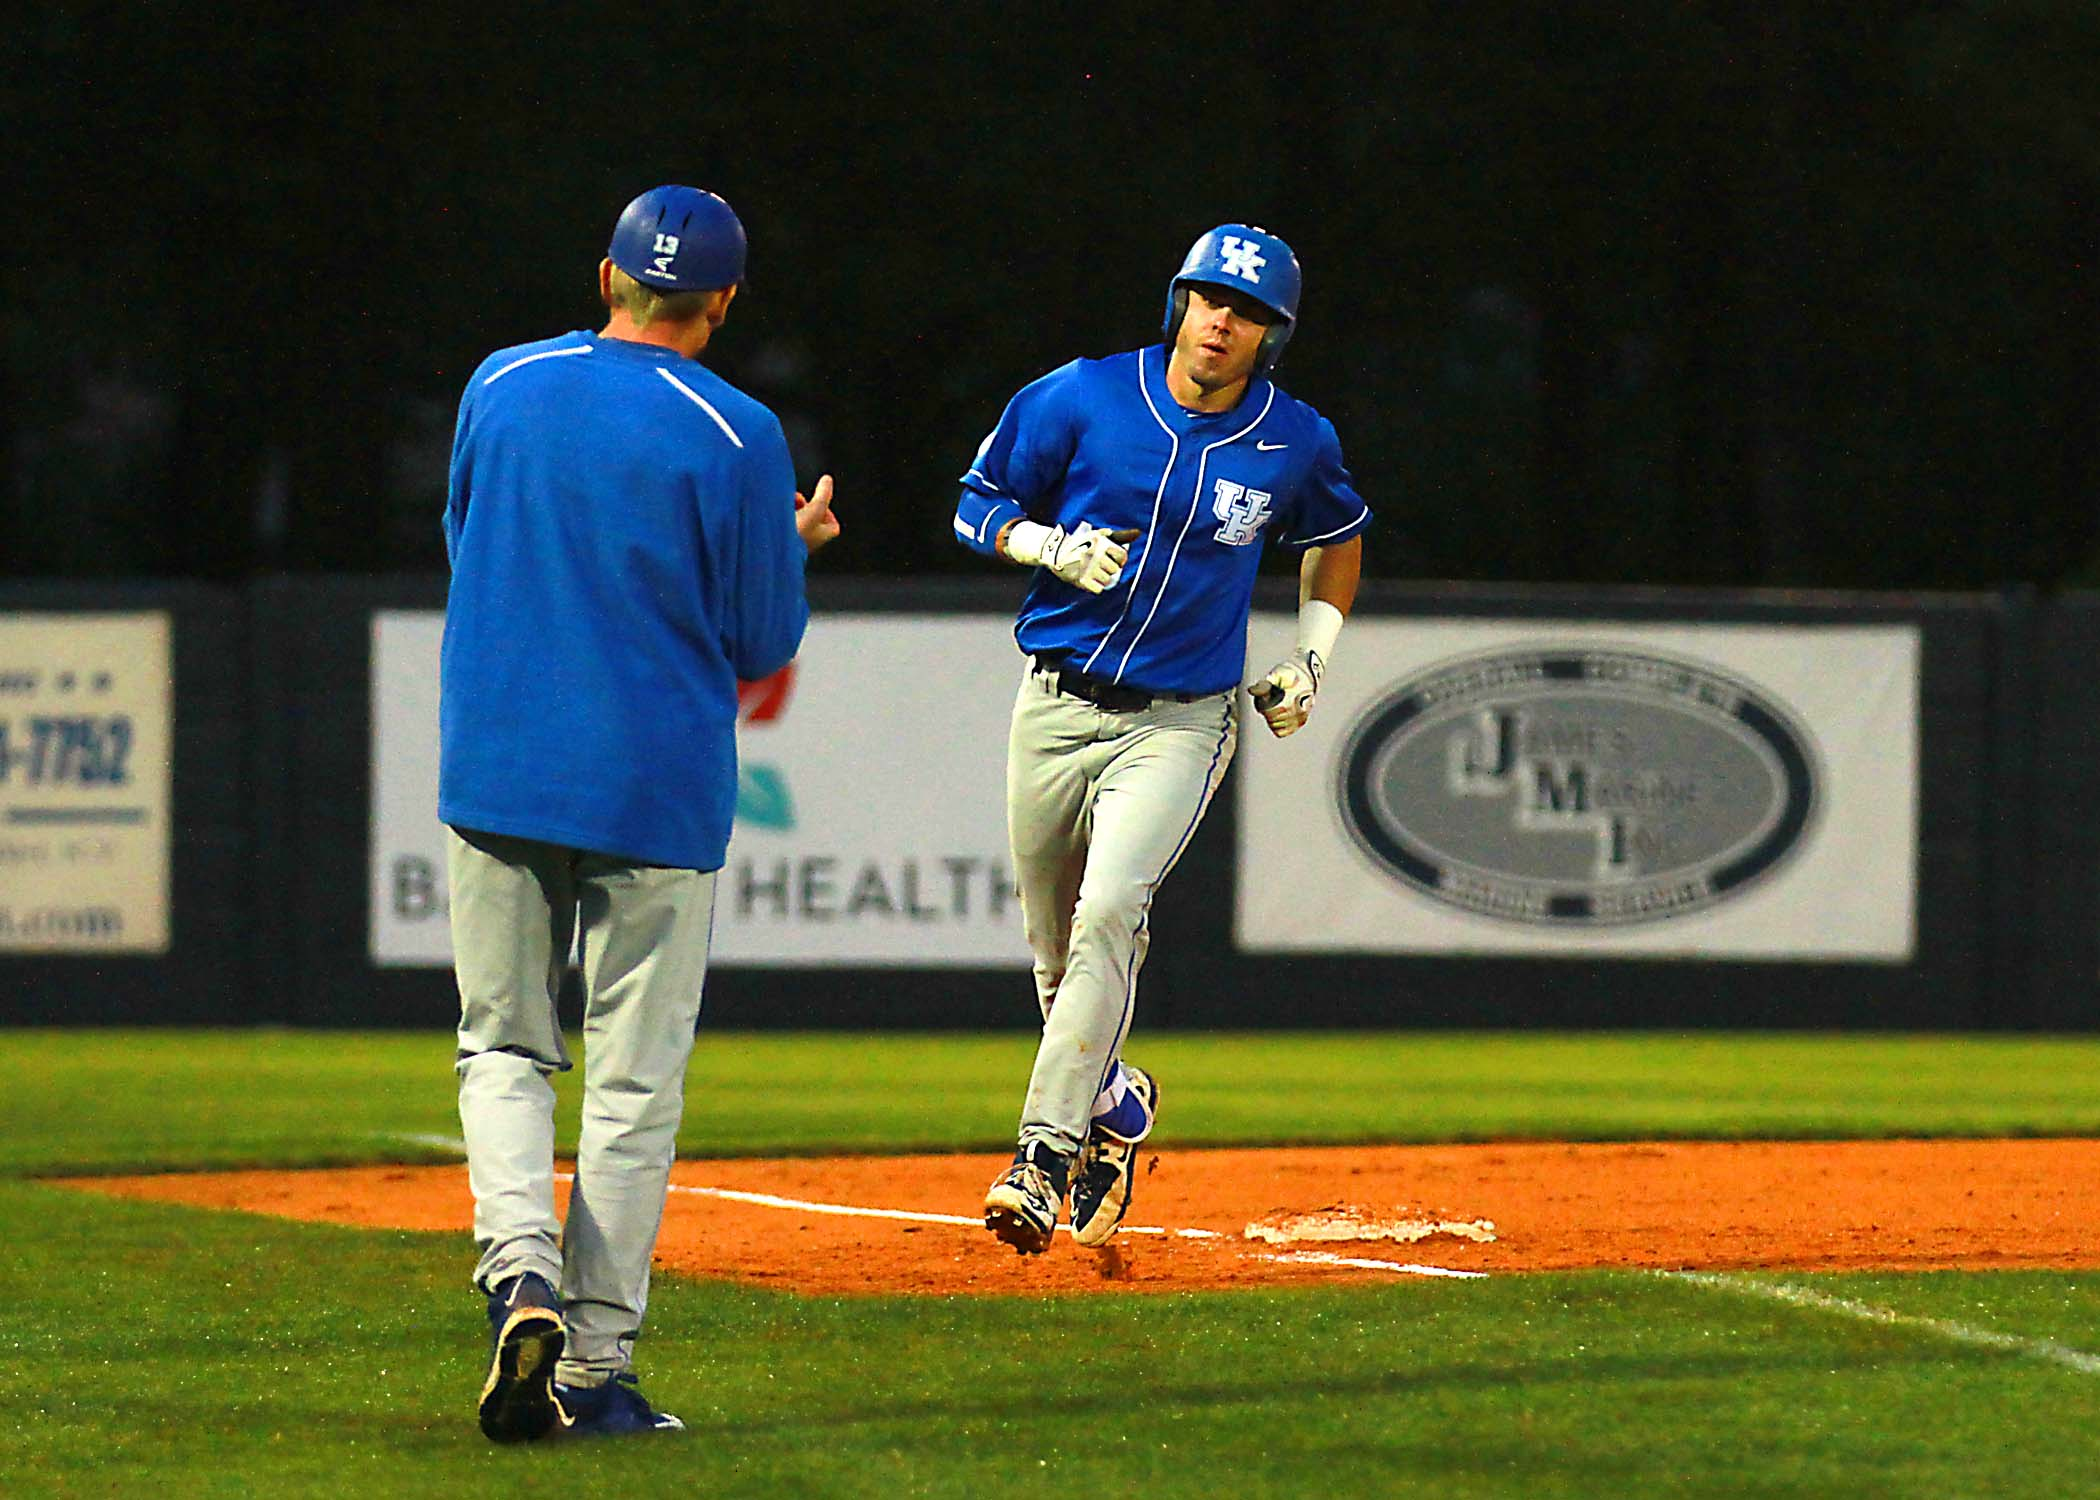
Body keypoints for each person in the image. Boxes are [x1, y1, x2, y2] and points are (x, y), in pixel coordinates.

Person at [442, 184, 840, 1443]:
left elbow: (470, 544)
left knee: (503, 1049)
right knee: (630, 1085)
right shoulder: (736, 433)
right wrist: (792, 547)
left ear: (603, 276)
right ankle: (594, 1373)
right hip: (653, 784)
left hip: (500, 767)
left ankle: (521, 1277)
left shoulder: (496, 386)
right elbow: (760, 636)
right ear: (721, 304)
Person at [953, 224, 1370, 1254]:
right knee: (1055, 960)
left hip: (1181, 719)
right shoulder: (1085, 395)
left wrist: (1311, 655)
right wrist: (1044, 542)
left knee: (1109, 915)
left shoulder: (1293, 439)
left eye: (1250, 313)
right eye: (1210, 299)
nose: (1224, 322)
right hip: (1054, 704)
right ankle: (1114, 1111)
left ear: (1272, 336)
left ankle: (1041, 1159)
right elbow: (975, 503)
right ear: (1179, 301)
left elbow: (1338, 539)